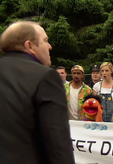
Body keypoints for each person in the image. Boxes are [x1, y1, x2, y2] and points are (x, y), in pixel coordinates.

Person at [0, 21, 74, 163]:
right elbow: (57, 142)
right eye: (45, 40)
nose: (50, 46)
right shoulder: (46, 77)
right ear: (29, 46)